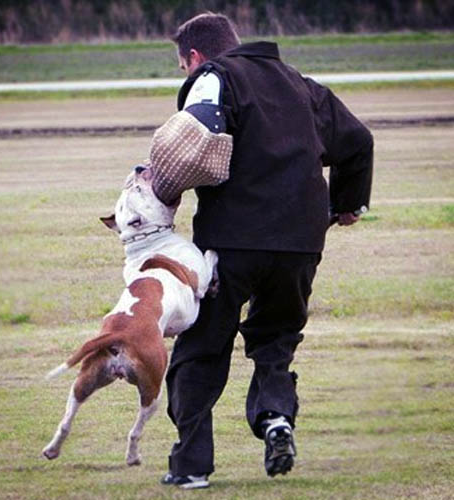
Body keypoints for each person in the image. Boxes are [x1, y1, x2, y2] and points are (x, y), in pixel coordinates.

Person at [157, 12, 373, 489]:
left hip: (232, 242)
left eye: (182, 66)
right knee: (275, 342)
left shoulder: (212, 79)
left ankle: (191, 466)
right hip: (301, 241)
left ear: (195, 57)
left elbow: (190, 142)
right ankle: (277, 419)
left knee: (201, 350)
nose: (184, 74)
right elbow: (358, 140)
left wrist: (162, 194)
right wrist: (348, 203)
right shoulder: (302, 85)